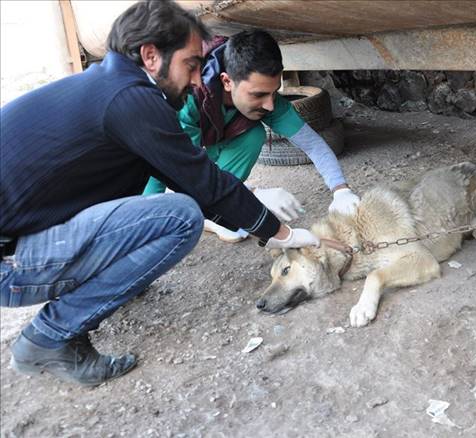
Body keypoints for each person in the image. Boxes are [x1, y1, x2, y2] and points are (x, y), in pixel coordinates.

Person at [0, 0, 319, 387]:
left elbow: (188, 179)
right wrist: (281, 233)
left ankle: (89, 293)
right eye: (190, 64)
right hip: (10, 264)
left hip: (17, 240)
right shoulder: (129, 100)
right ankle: (49, 336)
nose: (199, 80)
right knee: (179, 217)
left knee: (153, 205)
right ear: (151, 56)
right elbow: (203, 183)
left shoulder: (111, 88)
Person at [142, 30, 360, 242]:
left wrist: (341, 190)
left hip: (212, 138)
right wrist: (254, 193)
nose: (269, 104)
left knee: (254, 135)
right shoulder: (186, 96)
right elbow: (177, 167)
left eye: (274, 92)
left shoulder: (271, 104)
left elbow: (313, 145)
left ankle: (218, 210)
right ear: (227, 82)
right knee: (150, 218)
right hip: (154, 153)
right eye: (258, 94)